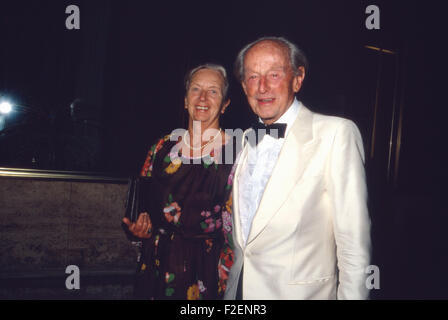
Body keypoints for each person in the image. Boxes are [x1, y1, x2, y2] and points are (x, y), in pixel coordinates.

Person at [224, 36, 371, 300]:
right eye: (253, 77)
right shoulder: (244, 139)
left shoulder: (336, 134)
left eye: (274, 74)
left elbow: (354, 245)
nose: (263, 87)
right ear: (243, 85)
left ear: (297, 79)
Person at [122, 63, 235, 300]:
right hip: (157, 264)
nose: (203, 97)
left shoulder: (238, 153)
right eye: (195, 89)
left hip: (207, 269)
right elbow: (141, 206)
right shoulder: (162, 147)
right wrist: (138, 229)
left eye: (213, 91)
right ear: (185, 100)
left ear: (225, 104)